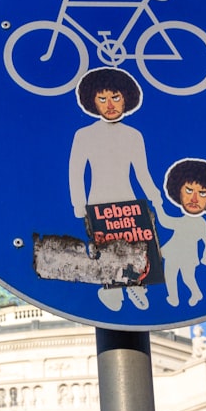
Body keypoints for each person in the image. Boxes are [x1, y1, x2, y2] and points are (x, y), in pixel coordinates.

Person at [68, 68, 165, 311]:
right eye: (102, 99)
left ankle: (136, 285)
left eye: (116, 97)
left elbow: (142, 172)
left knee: (138, 250)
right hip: (98, 202)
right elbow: (76, 172)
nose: (110, 105)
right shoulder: (84, 134)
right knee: (108, 251)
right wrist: (79, 206)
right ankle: (111, 292)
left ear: (127, 98)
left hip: (129, 199)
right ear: (92, 101)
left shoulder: (134, 135)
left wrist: (155, 197)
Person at [156, 158, 206, 307]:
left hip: (189, 256)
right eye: (189, 191)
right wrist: (158, 206)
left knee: (187, 278)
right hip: (173, 253)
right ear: (178, 191)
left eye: (202, 193)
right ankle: (173, 299)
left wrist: (205, 259)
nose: (194, 199)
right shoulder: (183, 220)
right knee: (169, 276)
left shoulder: (200, 223)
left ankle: (196, 293)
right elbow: (166, 222)